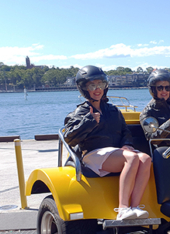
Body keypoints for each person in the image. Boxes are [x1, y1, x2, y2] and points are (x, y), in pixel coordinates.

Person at [64, 65, 151, 221]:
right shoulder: (80, 112)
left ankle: (135, 206)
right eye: (92, 85)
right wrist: (89, 121)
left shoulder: (113, 110)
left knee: (145, 158)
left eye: (100, 84)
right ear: (84, 88)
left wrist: (127, 144)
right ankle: (123, 209)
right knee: (131, 158)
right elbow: (70, 138)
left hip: (114, 153)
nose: (97, 89)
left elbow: (125, 131)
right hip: (92, 154)